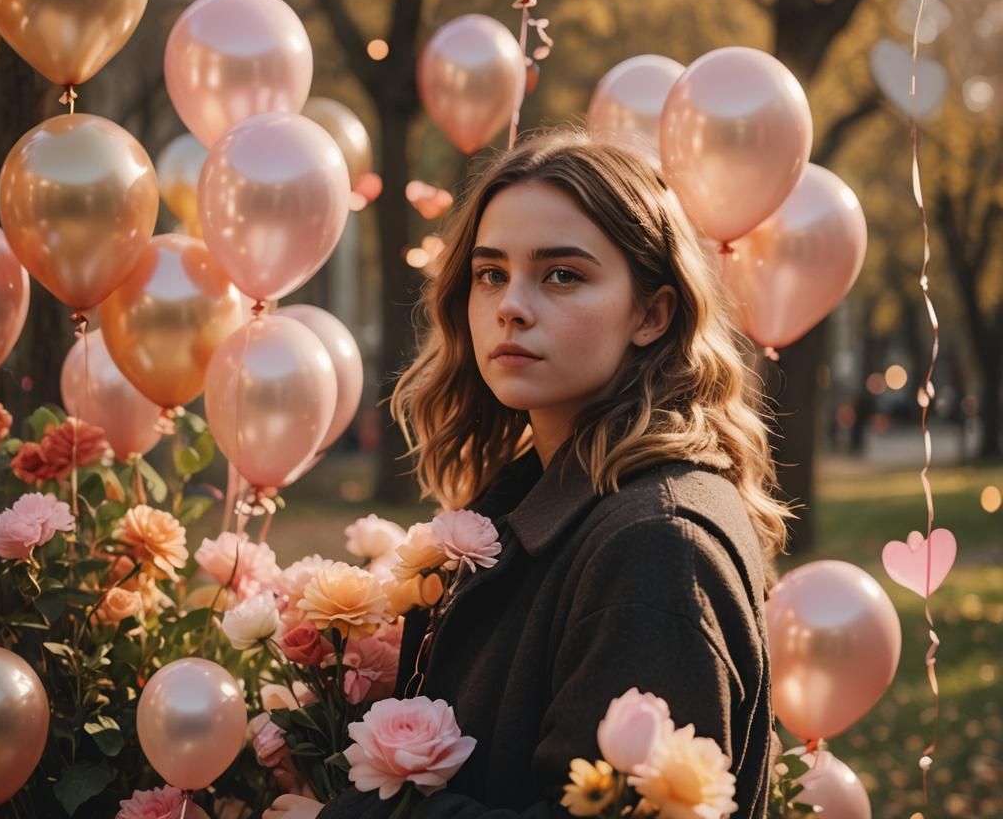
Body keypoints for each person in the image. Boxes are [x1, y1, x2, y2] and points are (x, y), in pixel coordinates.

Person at [264, 130, 793, 819]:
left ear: (652, 313)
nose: (511, 304)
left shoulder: (658, 544)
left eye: (562, 274)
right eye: (491, 274)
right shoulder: (536, 506)